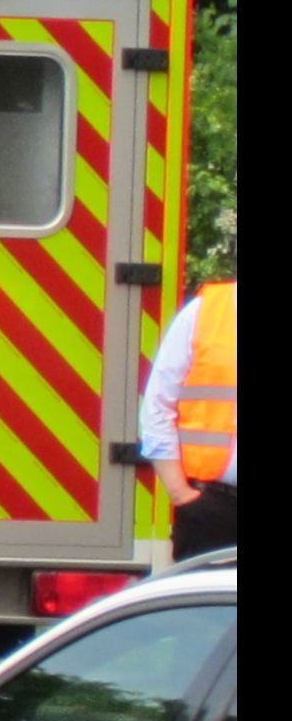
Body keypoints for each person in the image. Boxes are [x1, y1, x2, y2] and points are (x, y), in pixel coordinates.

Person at [140, 226, 235, 559]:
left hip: (208, 505)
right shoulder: (205, 313)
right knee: (202, 612)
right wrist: (180, 493)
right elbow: (157, 405)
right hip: (212, 510)